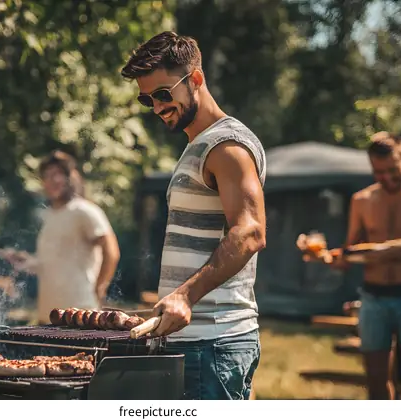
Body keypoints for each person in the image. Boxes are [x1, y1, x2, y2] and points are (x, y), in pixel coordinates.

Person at [121, 31, 266, 400]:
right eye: (146, 99)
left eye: (163, 94)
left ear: (196, 78)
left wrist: (184, 295)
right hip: (198, 343)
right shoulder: (198, 145)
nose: (155, 107)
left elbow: (250, 232)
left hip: (213, 343)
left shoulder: (226, 145)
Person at [298, 132, 401, 400]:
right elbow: (350, 252)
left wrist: (387, 252)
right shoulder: (362, 200)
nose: (386, 178)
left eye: (392, 170)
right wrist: (324, 256)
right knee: (377, 381)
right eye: (378, 172)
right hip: (374, 296)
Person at [6, 151, 120, 324]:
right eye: (47, 176)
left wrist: (100, 287)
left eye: (57, 174)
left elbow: (111, 252)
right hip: (48, 315)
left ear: (70, 178)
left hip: (80, 315)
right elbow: (53, 262)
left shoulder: (85, 210)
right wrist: (26, 260)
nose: (52, 180)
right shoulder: (50, 215)